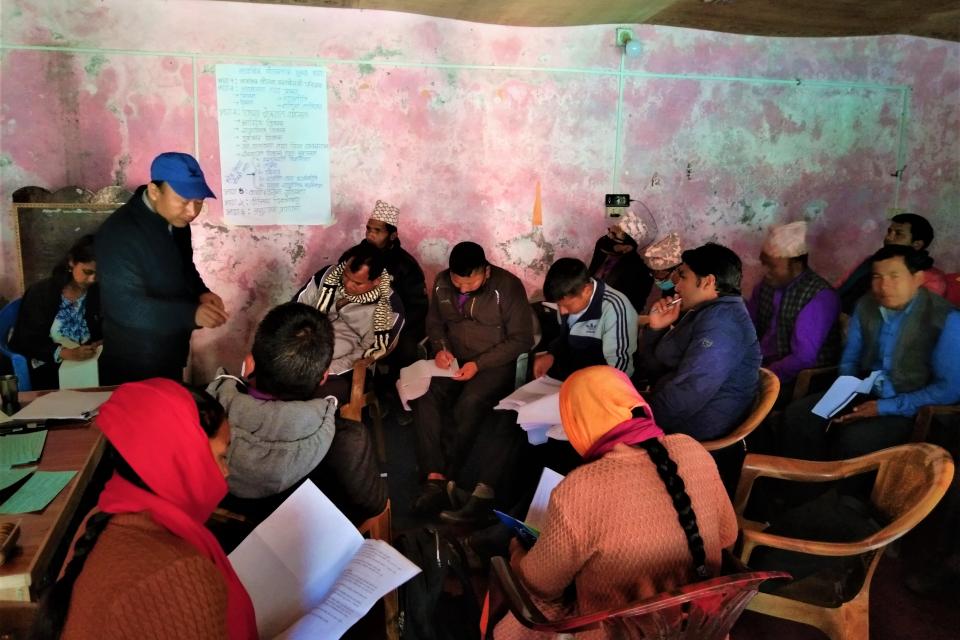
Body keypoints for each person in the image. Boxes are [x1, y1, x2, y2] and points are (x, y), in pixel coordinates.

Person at [492, 366, 737, 640]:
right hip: (702, 628)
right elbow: (727, 534)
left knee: (526, 605)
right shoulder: (693, 449)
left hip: (620, 633)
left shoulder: (581, 488)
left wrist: (516, 553)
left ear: (576, 423)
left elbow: (541, 586)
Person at [32, 379, 257, 640]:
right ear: (183, 459)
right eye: (221, 456)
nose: (226, 472)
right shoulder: (179, 578)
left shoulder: (104, 513)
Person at [207, 302, 386, 526]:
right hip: (302, 542)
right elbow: (372, 505)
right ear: (323, 377)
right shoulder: (347, 440)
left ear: (249, 363)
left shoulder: (203, 410)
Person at [777, 245, 960, 461]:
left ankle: (836, 492)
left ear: (917, 278)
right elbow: (851, 358)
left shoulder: (946, 319)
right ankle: (799, 484)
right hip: (866, 389)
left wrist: (883, 407)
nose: (884, 286)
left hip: (911, 404)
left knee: (853, 439)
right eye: (877, 276)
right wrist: (845, 392)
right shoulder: (866, 305)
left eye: (894, 276)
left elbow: (948, 390)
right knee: (798, 416)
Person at [412, 241, 533, 515]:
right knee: (424, 394)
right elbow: (434, 323)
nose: (463, 289)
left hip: (493, 364)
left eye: (471, 283)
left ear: (486, 271)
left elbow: (521, 339)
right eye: (458, 283)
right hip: (452, 361)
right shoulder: (443, 283)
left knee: (471, 400)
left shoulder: (508, 287)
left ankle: (454, 474)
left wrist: (479, 364)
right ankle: (434, 478)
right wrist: (441, 347)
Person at [97, 152, 228, 384]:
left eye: (198, 202)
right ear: (155, 191)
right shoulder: (120, 233)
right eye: (184, 201)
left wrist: (201, 292)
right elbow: (125, 307)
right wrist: (192, 314)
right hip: (133, 362)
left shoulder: (177, 223)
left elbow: (185, 268)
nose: (192, 212)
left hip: (169, 352)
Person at [637, 243, 761, 440]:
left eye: (683, 277)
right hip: (670, 415)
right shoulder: (702, 312)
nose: (676, 286)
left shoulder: (723, 322)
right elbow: (652, 369)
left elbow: (690, 388)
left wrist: (637, 424)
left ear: (707, 282)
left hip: (690, 435)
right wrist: (656, 328)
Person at [295, 242, 403, 404]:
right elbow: (295, 312)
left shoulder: (388, 310)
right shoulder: (328, 275)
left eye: (357, 283)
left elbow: (365, 354)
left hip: (341, 371)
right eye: (345, 275)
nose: (347, 284)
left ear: (377, 281)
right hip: (300, 350)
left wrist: (322, 369)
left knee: (304, 400)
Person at [747, 221, 841, 394]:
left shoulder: (819, 296)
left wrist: (762, 376)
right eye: (764, 264)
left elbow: (802, 359)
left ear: (797, 266)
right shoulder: (764, 287)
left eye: (772, 266)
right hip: (762, 367)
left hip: (795, 378)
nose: (766, 272)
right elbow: (748, 329)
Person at [339, 200, 428, 368]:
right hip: (354, 318)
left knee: (405, 354)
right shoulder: (352, 257)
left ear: (392, 235)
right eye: (368, 229)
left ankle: (393, 388)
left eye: (377, 231)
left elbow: (418, 306)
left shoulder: (405, 265)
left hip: (395, 323)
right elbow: (339, 288)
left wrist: (391, 329)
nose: (370, 235)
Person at [10, 235, 102, 390]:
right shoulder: (41, 293)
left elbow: (103, 324)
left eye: (98, 273)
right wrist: (64, 353)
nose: (92, 279)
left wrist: (101, 341)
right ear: (72, 262)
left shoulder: (96, 292)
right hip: (47, 363)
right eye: (87, 272)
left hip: (86, 360)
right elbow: (26, 340)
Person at [533, 257, 637, 380]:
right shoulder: (569, 298)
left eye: (567, 305)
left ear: (586, 291)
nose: (562, 311)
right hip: (567, 380)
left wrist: (585, 390)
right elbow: (564, 339)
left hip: (597, 385)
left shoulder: (614, 308)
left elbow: (620, 369)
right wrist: (551, 355)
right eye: (559, 305)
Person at [837, 213, 947, 315]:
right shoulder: (869, 261)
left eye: (898, 234)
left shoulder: (932, 279)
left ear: (917, 244)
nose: (888, 238)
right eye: (889, 232)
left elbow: (915, 317)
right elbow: (839, 286)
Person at [586, 212, 652, 312]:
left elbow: (633, 311)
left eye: (614, 236)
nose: (608, 238)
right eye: (609, 232)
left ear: (628, 247)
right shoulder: (603, 246)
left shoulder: (642, 275)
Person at [641, 232, 682, 308]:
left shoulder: (681, 300)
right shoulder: (667, 296)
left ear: (676, 271)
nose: (655, 277)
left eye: (659, 273)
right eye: (653, 272)